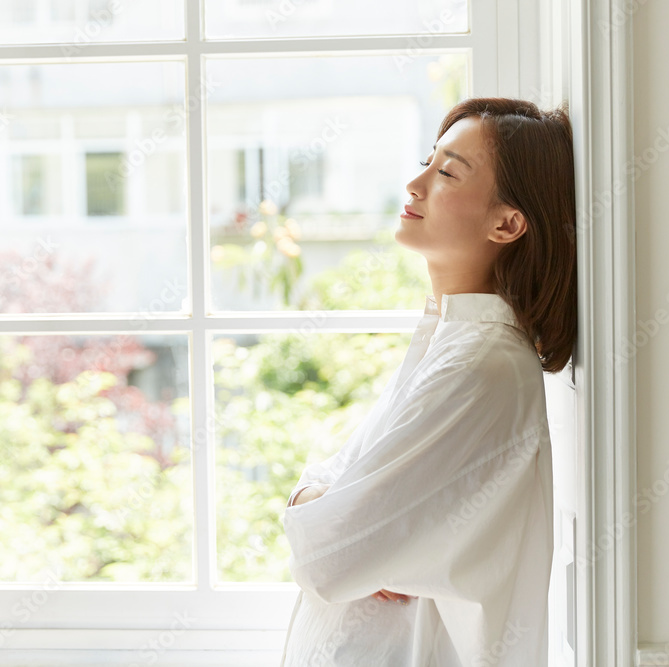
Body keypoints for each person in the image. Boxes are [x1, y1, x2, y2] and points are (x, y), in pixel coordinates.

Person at [279, 97, 577, 666]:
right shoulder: (450, 343)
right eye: (427, 161)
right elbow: (337, 524)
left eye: (446, 172)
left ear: (508, 222)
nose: (415, 184)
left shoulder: (480, 368)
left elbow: (328, 554)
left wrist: (320, 506)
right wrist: (320, 503)